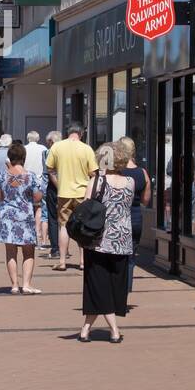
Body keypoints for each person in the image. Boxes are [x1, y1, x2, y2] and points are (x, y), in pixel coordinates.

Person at [78, 144, 134, 343]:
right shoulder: (130, 181)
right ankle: (85, 328)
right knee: (106, 285)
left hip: (99, 240)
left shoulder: (96, 181)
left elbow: (85, 207)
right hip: (123, 241)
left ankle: (114, 330)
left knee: (98, 285)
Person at [46, 123, 97, 271]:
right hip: (83, 193)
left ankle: (62, 261)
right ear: (81, 134)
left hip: (64, 192)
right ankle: (82, 261)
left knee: (63, 225)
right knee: (83, 226)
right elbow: (93, 172)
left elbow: (50, 169)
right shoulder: (87, 149)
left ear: (68, 133)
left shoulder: (57, 147)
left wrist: (59, 184)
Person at [0, 142, 43, 294]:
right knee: (28, 252)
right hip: (25, 216)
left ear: (10, 157)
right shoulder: (31, 176)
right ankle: (26, 284)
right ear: (23, 157)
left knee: (10, 252)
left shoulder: (3, 176)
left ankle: (14, 285)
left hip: (7, 216)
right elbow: (37, 197)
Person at [115, 136, 150, 294]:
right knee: (130, 258)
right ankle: (126, 290)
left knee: (116, 256)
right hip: (135, 218)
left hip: (118, 218)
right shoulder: (142, 173)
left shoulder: (117, 172)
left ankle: (116, 290)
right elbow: (145, 200)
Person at [41, 130, 61, 256]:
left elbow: (49, 170)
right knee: (64, 220)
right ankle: (64, 248)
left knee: (53, 218)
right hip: (68, 186)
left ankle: (55, 248)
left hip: (53, 186)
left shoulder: (48, 152)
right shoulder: (67, 151)